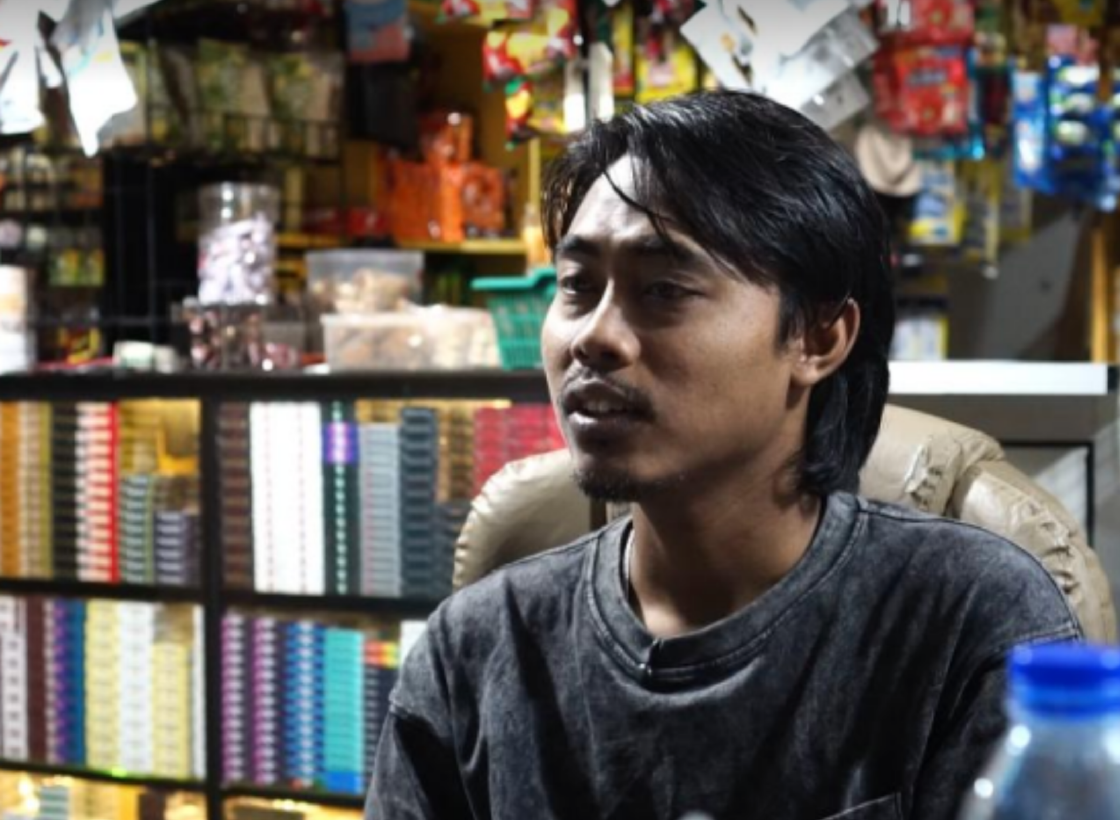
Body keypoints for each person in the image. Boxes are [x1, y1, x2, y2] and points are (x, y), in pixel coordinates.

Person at [366, 90, 1081, 820]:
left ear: (818, 338)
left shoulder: (969, 621)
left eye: (664, 289)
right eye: (577, 286)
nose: (594, 337)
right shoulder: (476, 651)